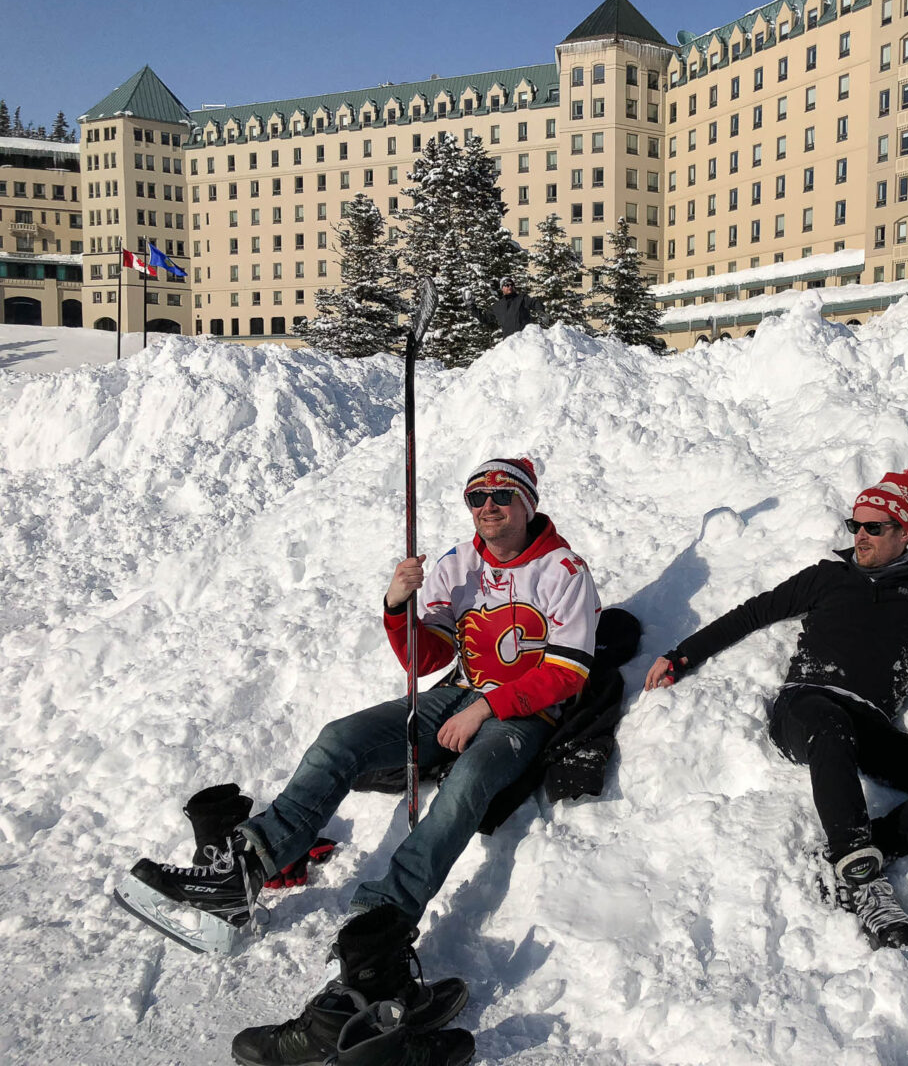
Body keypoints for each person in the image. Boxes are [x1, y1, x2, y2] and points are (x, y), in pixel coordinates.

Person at [117, 456, 600, 1065]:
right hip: (455, 693)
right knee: (341, 737)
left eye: (502, 495)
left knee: (470, 781)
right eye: (476, 497)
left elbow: (568, 670)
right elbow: (426, 659)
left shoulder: (563, 570)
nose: (488, 507)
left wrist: (486, 710)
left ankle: (380, 934)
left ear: (528, 502)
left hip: (526, 715)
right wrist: (398, 607)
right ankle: (241, 872)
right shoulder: (458, 564)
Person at [643, 468, 908, 950]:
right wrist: (681, 655)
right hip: (806, 707)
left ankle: (854, 851)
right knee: (830, 726)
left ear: (904, 533)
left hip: (869, 724)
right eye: (855, 526)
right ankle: (864, 880)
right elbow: (752, 613)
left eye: (874, 528)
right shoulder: (828, 578)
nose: (860, 537)